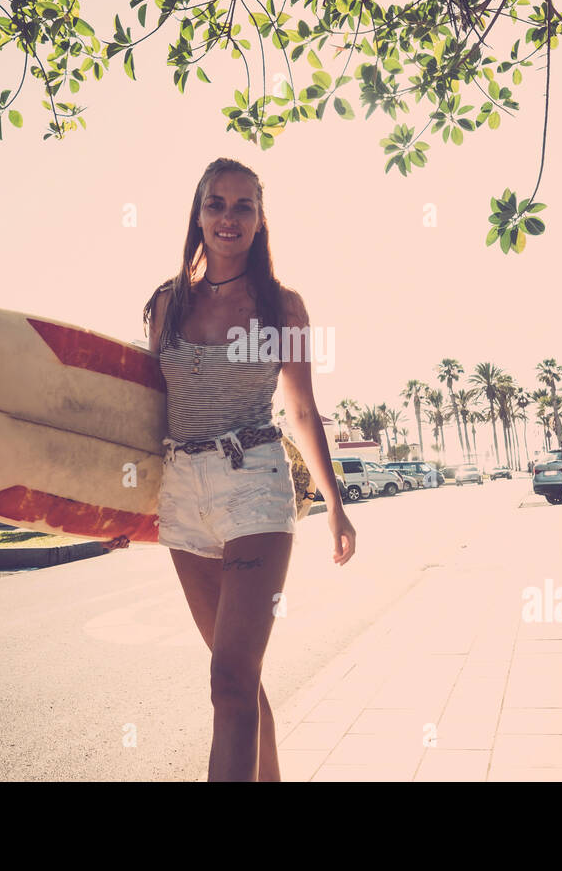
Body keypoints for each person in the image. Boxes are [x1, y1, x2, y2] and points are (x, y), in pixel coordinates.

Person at [142, 157, 357, 782]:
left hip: (254, 485)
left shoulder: (281, 306)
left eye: (243, 206)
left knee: (229, 681)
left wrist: (334, 505)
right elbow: (148, 413)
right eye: (217, 204)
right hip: (181, 494)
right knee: (241, 679)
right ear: (198, 214)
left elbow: (301, 408)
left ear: (261, 221)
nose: (228, 217)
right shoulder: (166, 304)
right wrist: (113, 502)